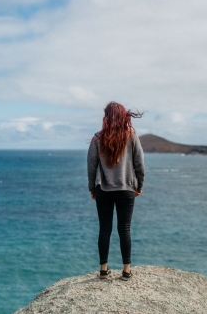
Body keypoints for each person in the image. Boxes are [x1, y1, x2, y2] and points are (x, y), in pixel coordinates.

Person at [87, 101, 145, 281]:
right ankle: (126, 270)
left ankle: (103, 270)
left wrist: (92, 188)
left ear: (106, 117)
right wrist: (139, 185)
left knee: (104, 229)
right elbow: (139, 164)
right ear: (122, 116)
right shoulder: (131, 136)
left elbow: (91, 166)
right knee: (124, 229)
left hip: (103, 188)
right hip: (127, 187)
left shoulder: (97, 138)